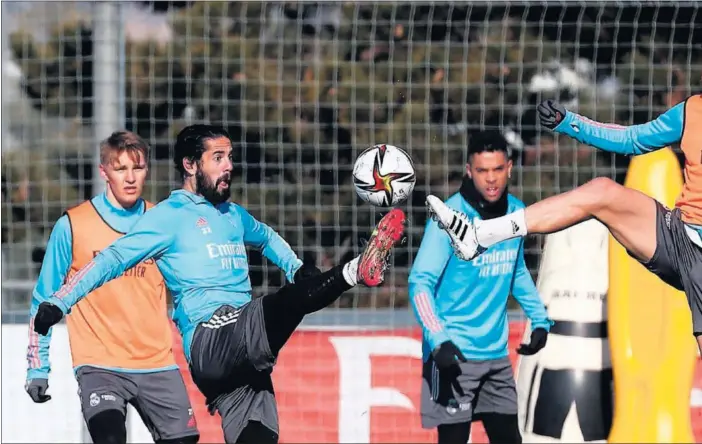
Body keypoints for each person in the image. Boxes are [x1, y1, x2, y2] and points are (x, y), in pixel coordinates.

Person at [30, 124, 407, 444]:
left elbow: (267, 236)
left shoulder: (232, 214)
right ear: (190, 165)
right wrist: (60, 302)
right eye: (218, 158)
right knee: (277, 306)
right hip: (211, 337)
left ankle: (344, 274)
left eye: (230, 157)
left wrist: (294, 267)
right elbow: (111, 259)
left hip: (242, 365)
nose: (229, 166)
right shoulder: (168, 217)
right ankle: (356, 270)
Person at [426, 95, 702, 350]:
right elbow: (633, 138)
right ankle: (480, 236)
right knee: (601, 192)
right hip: (678, 234)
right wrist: (570, 122)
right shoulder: (692, 110)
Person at [25, 131, 200, 444]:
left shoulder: (162, 222)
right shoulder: (73, 225)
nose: (130, 178)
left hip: (156, 363)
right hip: (99, 366)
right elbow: (43, 299)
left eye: (138, 168)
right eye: (120, 169)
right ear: (103, 171)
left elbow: (188, 290)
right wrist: (38, 369)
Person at [409, 130, 552, 444]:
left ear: (509, 168)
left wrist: (540, 320)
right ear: (469, 171)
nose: (491, 179)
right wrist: (438, 340)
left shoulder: (516, 212)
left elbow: (515, 271)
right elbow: (420, 283)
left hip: (496, 359)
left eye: (498, 170)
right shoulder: (449, 218)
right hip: (453, 357)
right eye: (483, 171)